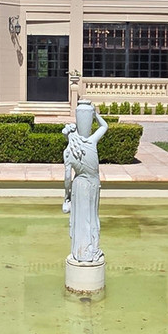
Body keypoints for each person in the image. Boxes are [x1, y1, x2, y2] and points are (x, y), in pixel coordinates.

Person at [62, 101, 108, 263]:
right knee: (91, 216)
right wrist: (95, 114)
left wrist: (66, 196)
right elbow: (104, 126)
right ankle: (91, 250)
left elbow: (67, 178)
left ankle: (79, 252)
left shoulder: (68, 152)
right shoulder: (92, 141)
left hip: (78, 185)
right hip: (92, 184)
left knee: (80, 218)